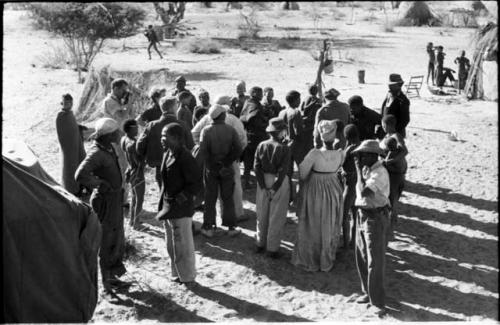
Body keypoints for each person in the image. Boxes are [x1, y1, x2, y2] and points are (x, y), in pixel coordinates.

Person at [75, 118, 129, 294]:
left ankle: (113, 277)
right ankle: (106, 284)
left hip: (114, 200)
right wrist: (99, 183)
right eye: (115, 132)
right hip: (105, 203)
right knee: (106, 241)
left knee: (116, 238)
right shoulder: (96, 153)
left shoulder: (108, 147)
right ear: (108, 135)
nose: (118, 134)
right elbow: (80, 174)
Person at [292, 120, 346, 272]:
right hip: (333, 188)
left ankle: (312, 257)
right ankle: (326, 257)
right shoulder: (340, 154)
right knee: (329, 221)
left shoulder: (314, 154)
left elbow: (302, 173)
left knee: (313, 223)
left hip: (315, 188)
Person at [156, 123, 202, 284]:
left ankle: (188, 277)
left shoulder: (185, 157)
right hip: (168, 208)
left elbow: (195, 185)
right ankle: (177, 274)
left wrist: (178, 200)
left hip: (180, 209)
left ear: (176, 138)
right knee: (172, 244)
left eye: (164, 136)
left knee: (184, 245)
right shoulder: (168, 153)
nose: (161, 139)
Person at [192, 96, 248, 221]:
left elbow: (194, 133)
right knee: (232, 190)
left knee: (211, 192)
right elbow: (242, 140)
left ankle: (210, 224)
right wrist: (234, 156)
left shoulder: (206, 120)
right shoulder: (232, 121)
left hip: (211, 163)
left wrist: (205, 152)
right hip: (229, 161)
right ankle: (235, 215)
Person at [352, 140, 390, 317]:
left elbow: (364, 191)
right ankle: (367, 292)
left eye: (362, 155)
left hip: (375, 216)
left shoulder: (379, 173)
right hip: (364, 214)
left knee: (375, 260)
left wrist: (358, 171)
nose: (359, 158)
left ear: (372, 155)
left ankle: (378, 301)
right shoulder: (370, 169)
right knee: (361, 256)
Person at [199, 104, 243, 237]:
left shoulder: (205, 131)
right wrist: (225, 163)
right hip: (227, 168)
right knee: (228, 197)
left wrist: (214, 166)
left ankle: (209, 227)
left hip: (211, 169)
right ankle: (231, 227)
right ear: (222, 115)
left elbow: (203, 151)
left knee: (210, 198)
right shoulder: (230, 130)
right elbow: (238, 149)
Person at [136, 96, 194, 190]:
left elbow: (140, 146)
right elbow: (191, 146)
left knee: (163, 194)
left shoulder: (152, 125)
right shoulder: (182, 125)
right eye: (176, 105)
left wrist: (148, 158)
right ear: (172, 108)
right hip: (180, 167)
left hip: (160, 166)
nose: (178, 107)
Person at [254, 117, 291, 259]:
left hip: (263, 179)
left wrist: (263, 187)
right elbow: (283, 171)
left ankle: (259, 243)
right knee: (276, 215)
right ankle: (272, 248)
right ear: (282, 131)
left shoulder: (261, 145)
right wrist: (274, 187)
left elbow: (256, 167)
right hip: (278, 181)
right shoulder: (284, 148)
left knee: (262, 213)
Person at [101, 78, 132, 207]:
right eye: (123, 90)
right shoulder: (110, 102)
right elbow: (121, 116)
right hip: (114, 138)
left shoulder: (118, 101)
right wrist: (129, 104)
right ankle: (120, 199)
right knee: (121, 168)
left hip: (120, 136)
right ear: (115, 89)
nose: (124, 93)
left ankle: (122, 198)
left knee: (123, 168)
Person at [380, 114, 408, 240]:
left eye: (383, 124)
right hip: (391, 172)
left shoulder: (396, 136)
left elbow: (404, 151)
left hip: (395, 174)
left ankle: (390, 230)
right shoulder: (388, 136)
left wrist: (390, 161)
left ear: (387, 124)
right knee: (391, 200)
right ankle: (390, 228)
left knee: (392, 202)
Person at [55, 93, 87, 197]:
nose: (68, 105)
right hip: (68, 147)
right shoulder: (61, 115)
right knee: (70, 166)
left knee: (80, 161)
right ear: (62, 103)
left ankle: (81, 185)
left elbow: (72, 125)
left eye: (70, 103)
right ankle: (72, 189)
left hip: (76, 144)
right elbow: (62, 132)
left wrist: (79, 127)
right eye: (66, 103)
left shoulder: (70, 113)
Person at [279, 90, 306, 203]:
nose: (300, 101)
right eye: (298, 99)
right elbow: (298, 131)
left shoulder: (282, 112)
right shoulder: (296, 112)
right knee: (302, 171)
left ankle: (289, 196)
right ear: (295, 100)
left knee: (287, 173)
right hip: (296, 145)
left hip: (285, 144)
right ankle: (301, 196)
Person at [240, 86, 268, 188]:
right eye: (260, 93)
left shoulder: (247, 102)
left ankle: (246, 181)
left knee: (248, 161)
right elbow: (252, 118)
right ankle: (261, 182)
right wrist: (265, 122)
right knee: (259, 160)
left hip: (248, 135)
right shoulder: (255, 106)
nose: (262, 95)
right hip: (256, 136)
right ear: (255, 94)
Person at [121, 119, 145, 229]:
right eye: (136, 128)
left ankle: (132, 220)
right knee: (139, 199)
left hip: (130, 171)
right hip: (137, 173)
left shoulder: (124, 139)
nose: (138, 130)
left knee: (134, 198)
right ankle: (136, 223)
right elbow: (138, 162)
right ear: (130, 129)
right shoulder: (133, 144)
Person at [341, 124, 360, 249]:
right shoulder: (362, 146)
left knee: (343, 215)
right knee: (355, 215)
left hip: (349, 185)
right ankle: (353, 242)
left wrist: (345, 152)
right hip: (358, 185)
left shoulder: (349, 149)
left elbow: (340, 162)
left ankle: (346, 242)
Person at [380, 74, 410, 138]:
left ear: (399, 85)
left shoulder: (403, 100)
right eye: (389, 85)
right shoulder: (388, 95)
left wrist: (393, 131)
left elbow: (405, 120)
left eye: (392, 85)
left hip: (396, 134)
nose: (389, 86)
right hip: (385, 132)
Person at [300, 84, 322, 155]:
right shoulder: (313, 99)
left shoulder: (308, 98)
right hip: (311, 123)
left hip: (309, 123)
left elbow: (302, 109)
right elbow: (305, 109)